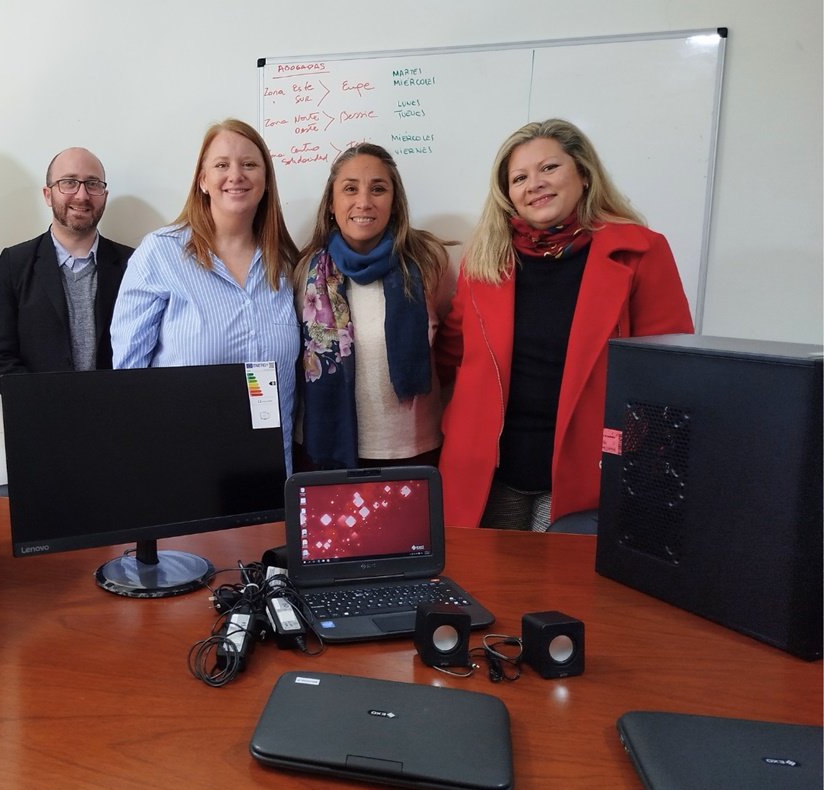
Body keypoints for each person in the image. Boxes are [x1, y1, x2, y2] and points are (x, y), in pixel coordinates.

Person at [435, 118, 693, 531]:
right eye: (519, 178)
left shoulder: (640, 252)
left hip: (585, 469)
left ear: (584, 174)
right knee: (483, 572)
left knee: (559, 573)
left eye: (549, 168)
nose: (534, 184)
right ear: (508, 195)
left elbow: (668, 371)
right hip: (487, 467)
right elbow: (451, 351)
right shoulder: (484, 260)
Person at [111, 119, 299, 474]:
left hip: (271, 471)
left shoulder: (287, 263)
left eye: (249, 164)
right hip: (184, 471)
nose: (236, 175)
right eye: (222, 164)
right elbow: (128, 381)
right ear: (203, 180)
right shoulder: (160, 254)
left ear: (266, 180)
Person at [296, 143, 455, 471]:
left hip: (413, 454)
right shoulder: (304, 272)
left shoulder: (429, 263)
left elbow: (454, 352)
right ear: (331, 203)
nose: (364, 202)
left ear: (395, 203)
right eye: (350, 189)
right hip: (323, 454)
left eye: (378, 189)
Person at [0, 148, 132, 391]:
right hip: (39, 411)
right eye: (69, 182)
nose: (82, 195)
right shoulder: (15, 263)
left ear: (104, 195)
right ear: (48, 194)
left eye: (92, 184)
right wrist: (45, 403)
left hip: (116, 410)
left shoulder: (132, 264)